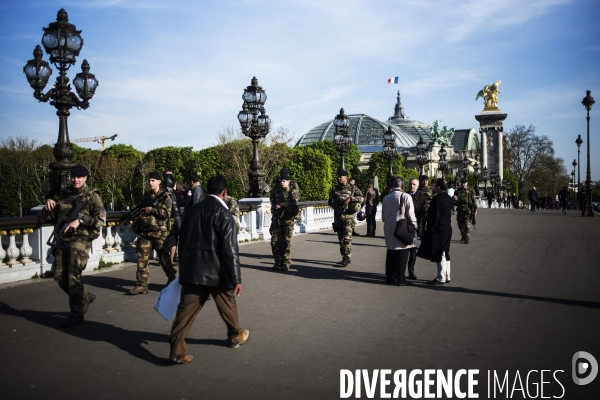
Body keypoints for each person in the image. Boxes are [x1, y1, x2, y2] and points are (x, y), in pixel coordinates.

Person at [169, 175, 249, 364]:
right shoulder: (224, 214)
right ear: (224, 192)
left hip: (193, 270)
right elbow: (230, 250)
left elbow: (183, 242)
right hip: (217, 271)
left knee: (185, 313)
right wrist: (236, 278)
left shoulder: (191, 211)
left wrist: (184, 269)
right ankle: (235, 335)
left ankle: (176, 350)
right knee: (228, 306)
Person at [42, 165, 106, 327]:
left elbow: (101, 220)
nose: (75, 180)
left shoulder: (92, 196)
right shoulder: (64, 193)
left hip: (80, 241)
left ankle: (76, 314)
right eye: (73, 177)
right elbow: (54, 217)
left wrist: (82, 220)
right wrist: (49, 203)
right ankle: (85, 296)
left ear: (85, 178)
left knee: (72, 277)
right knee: (58, 275)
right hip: (63, 239)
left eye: (79, 177)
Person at [129, 172, 177, 295]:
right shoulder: (146, 196)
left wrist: (152, 210)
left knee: (164, 258)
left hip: (159, 233)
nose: (150, 183)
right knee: (142, 258)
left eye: (153, 180)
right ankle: (142, 284)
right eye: (149, 180)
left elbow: (166, 214)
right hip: (145, 232)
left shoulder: (166, 196)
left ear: (159, 182)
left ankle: (172, 278)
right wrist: (142, 214)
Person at [381, 177, 417, 286]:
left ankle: (390, 277)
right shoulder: (406, 196)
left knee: (391, 253)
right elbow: (411, 215)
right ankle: (401, 279)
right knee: (402, 254)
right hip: (401, 229)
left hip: (389, 228)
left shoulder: (386, 198)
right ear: (402, 186)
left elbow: (383, 217)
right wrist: (414, 227)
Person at [417, 178, 454, 285]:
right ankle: (447, 275)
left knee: (440, 252)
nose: (434, 187)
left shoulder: (437, 199)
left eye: (435, 186)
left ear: (438, 187)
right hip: (447, 227)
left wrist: (431, 229)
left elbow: (435, 216)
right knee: (445, 252)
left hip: (439, 229)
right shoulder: (448, 198)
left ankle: (440, 277)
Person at [328, 170, 364, 267]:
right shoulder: (335, 188)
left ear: (346, 178)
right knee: (340, 239)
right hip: (338, 216)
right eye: (338, 176)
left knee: (347, 238)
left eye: (341, 176)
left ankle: (347, 258)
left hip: (348, 216)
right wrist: (333, 204)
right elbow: (330, 200)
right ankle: (344, 257)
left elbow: (361, 198)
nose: (339, 178)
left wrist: (351, 199)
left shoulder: (352, 188)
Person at [269, 168, 301, 271]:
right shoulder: (276, 190)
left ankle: (286, 263)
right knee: (275, 242)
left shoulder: (293, 191)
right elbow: (272, 201)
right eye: (281, 181)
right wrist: (273, 208)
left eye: (284, 181)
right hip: (277, 219)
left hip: (287, 219)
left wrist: (282, 205)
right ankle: (277, 262)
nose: (282, 183)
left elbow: (294, 203)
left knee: (286, 242)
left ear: (288, 181)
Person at [406, 177, 426, 280]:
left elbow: (424, 211)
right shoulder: (404, 196)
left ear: (418, 186)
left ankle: (411, 272)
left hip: (415, 226)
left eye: (414, 184)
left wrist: (415, 214)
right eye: (410, 184)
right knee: (403, 251)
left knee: (413, 252)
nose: (412, 186)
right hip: (404, 227)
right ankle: (400, 272)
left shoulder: (422, 197)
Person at [163, 171, 183, 265]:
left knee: (167, 240)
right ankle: (171, 259)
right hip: (174, 221)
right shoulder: (175, 192)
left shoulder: (161, 191)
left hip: (165, 220)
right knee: (173, 240)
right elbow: (183, 203)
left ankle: (165, 259)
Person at [453, 177, 477, 244]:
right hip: (460, 211)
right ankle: (463, 236)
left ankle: (467, 238)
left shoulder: (470, 191)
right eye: (462, 183)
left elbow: (474, 201)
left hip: (468, 211)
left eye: (464, 183)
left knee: (467, 225)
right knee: (460, 225)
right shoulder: (457, 191)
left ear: (467, 183)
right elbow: (454, 203)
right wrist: (455, 199)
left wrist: (475, 210)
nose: (463, 184)